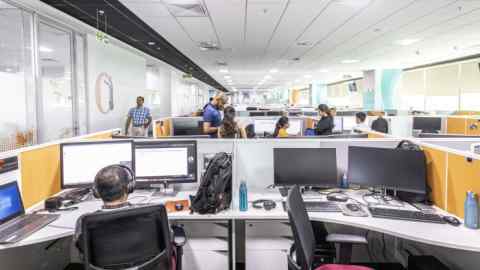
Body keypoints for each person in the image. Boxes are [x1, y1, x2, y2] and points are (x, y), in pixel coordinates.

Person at [73, 165, 134, 261]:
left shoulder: (84, 221)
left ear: (96, 193)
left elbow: (83, 255)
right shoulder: (150, 213)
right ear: (129, 188)